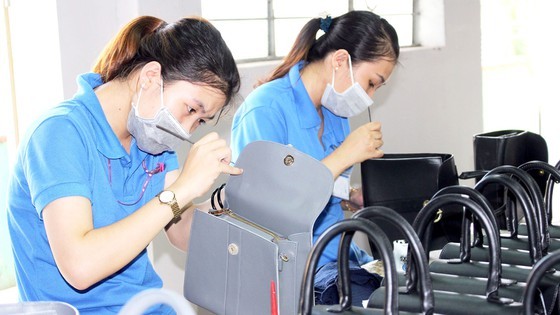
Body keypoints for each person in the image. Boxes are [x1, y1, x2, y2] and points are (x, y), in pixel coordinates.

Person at [7, 15, 242, 314]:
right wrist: (182, 188)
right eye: (191, 109)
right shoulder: (59, 133)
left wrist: (229, 199)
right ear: (150, 77)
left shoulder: (151, 140)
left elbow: (181, 233)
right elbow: (81, 266)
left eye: (200, 121)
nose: (187, 130)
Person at [230, 11, 399, 305]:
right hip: (293, 269)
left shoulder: (335, 112)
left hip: (338, 255)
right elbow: (261, 213)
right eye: (371, 82)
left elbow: (325, 192)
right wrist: (344, 155)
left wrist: (351, 197)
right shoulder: (265, 110)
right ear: (339, 60)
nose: (369, 96)